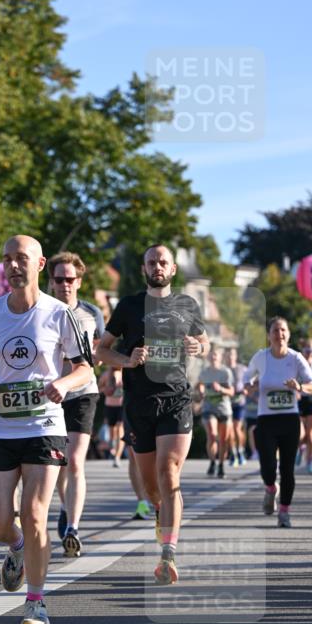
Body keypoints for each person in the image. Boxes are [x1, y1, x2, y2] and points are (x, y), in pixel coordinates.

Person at [0, 234, 91, 624]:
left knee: (36, 514)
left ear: (40, 264)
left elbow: (85, 368)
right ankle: (15, 546)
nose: (13, 266)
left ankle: (35, 602)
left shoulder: (58, 313)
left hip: (44, 426)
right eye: (7, 259)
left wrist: (65, 385)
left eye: (21, 258)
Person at [95, 243, 209, 585]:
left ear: (172, 269)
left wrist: (198, 347)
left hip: (175, 399)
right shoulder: (128, 306)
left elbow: (205, 343)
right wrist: (127, 360)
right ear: (144, 269)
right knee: (150, 486)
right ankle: (159, 511)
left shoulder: (187, 305)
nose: (157, 267)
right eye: (151, 262)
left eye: (163, 262)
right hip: (138, 403)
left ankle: (168, 554)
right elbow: (102, 350)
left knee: (169, 472)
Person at [47, 250, 104, 557]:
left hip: (83, 392)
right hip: (51, 395)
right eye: (59, 279)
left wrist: (115, 369)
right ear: (52, 282)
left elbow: (102, 347)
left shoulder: (92, 313)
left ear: (79, 281)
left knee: (76, 461)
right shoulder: (43, 310)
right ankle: (66, 507)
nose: (65, 284)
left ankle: (73, 528)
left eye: (70, 279)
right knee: (60, 464)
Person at [243, 317, 312, 527]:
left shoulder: (296, 358)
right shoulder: (261, 357)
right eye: (275, 330)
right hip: (266, 419)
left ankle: (284, 512)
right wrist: (249, 386)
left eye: (283, 330)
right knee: (267, 466)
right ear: (269, 335)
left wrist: (300, 387)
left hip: (289, 420)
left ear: (289, 334)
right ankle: (270, 488)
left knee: (287, 469)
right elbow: (246, 379)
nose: (280, 334)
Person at [198, 347, 234, 479]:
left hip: (224, 408)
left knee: (223, 440)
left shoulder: (225, 372)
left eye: (216, 355)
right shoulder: (205, 372)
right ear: (208, 358)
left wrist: (221, 389)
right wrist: (201, 390)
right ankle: (213, 461)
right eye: (211, 355)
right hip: (209, 407)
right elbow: (200, 384)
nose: (213, 357)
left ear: (220, 357)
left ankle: (221, 465)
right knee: (212, 435)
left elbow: (231, 392)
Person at [297, 339, 312, 474]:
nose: (309, 353)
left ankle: (309, 462)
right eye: (307, 350)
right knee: (301, 434)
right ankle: (301, 448)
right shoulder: (298, 363)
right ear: (303, 350)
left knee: (311, 436)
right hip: (300, 399)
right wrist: (295, 391)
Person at [98, 367, 126, 468]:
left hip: (122, 406)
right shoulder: (106, 374)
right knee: (112, 431)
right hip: (110, 406)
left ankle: (117, 457)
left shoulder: (126, 373)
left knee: (120, 429)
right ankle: (112, 447)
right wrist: (105, 389)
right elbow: (99, 388)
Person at [226, 347, 247, 465]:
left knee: (237, 428)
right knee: (230, 430)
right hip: (227, 404)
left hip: (239, 402)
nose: (230, 357)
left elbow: (251, 379)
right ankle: (233, 453)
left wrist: (246, 389)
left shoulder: (241, 368)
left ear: (235, 356)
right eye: (228, 355)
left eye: (232, 355)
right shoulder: (223, 370)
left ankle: (240, 450)